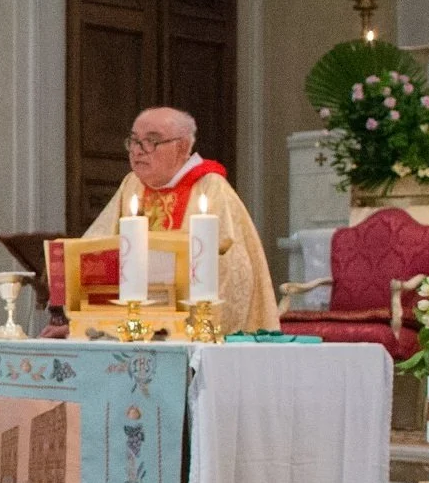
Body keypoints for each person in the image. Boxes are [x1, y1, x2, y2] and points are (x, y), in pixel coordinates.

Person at [45, 106, 278, 336]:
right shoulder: (132, 185)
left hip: (188, 330)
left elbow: (233, 271)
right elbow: (98, 248)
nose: (138, 151)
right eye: (134, 141)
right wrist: (83, 321)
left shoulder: (210, 189)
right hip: (130, 327)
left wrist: (196, 323)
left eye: (151, 141)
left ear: (183, 147)